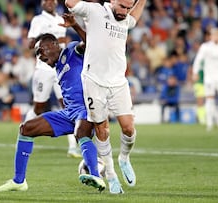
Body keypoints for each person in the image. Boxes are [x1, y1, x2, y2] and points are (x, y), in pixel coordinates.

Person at [0, 33, 106, 192]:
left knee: (81, 133)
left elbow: (90, 41)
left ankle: (96, 177)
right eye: (37, 54)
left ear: (54, 44)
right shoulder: (58, 66)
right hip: (69, 113)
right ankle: (19, 181)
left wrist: (74, 24)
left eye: (41, 51)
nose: (39, 56)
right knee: (26, 129)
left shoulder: (72, 50)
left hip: (87, 108)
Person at [65, 0, 147, 190]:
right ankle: (111, 176)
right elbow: (70, 2)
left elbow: (135, 14)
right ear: (112, 1)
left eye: (128, 8)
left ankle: (124, 158)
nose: (125, 11)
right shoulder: (94, 11)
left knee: (128, 128)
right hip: (94, 82)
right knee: (102, 129)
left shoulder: (125, 19)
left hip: (118, 83)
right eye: (122, 7)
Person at [26, 0, 80, 158]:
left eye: (52, 0)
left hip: (62, 67)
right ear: (41, 3)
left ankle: (72, 147)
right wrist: (52, 41)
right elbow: (30, 44)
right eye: (46, 0)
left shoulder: (61, 18)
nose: (49, 2)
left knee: (67, 105)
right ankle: (23, 133)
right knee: (39, 107)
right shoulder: (38, 20)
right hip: (44, 69)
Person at [192, 28, 218, 132]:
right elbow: (198, 59)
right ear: (211, 36)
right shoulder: (205, 47)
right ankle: (210, 123)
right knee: (210, 100)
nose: (216, 37)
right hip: (209, 77)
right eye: (214, 35)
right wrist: (195, 72)